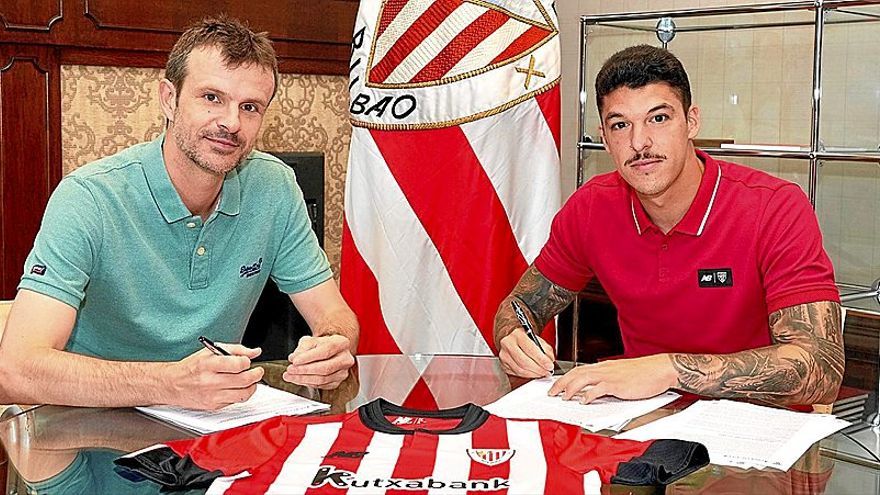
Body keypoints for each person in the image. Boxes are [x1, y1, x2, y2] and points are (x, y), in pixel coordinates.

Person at [0, 15, 358, 410]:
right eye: (211, 97)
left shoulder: (275, 188)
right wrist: (171, 384)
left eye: (250, 107)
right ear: (169, 98)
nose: (231, 122)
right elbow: (17, 370)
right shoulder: (88, 198)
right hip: (87, 428)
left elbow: (334, 313)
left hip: (210, 434)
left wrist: (331, 346)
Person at [494, 44, 844, 407]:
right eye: (620, 125)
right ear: (604, 138)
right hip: (642, 424)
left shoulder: (775, 206)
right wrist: (513, 336)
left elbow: (822, 369)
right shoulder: (590, 207)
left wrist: (669, 370)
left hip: (758, 437)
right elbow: (519, 305)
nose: (639, 142)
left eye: (658, 118)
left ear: (692, 122)